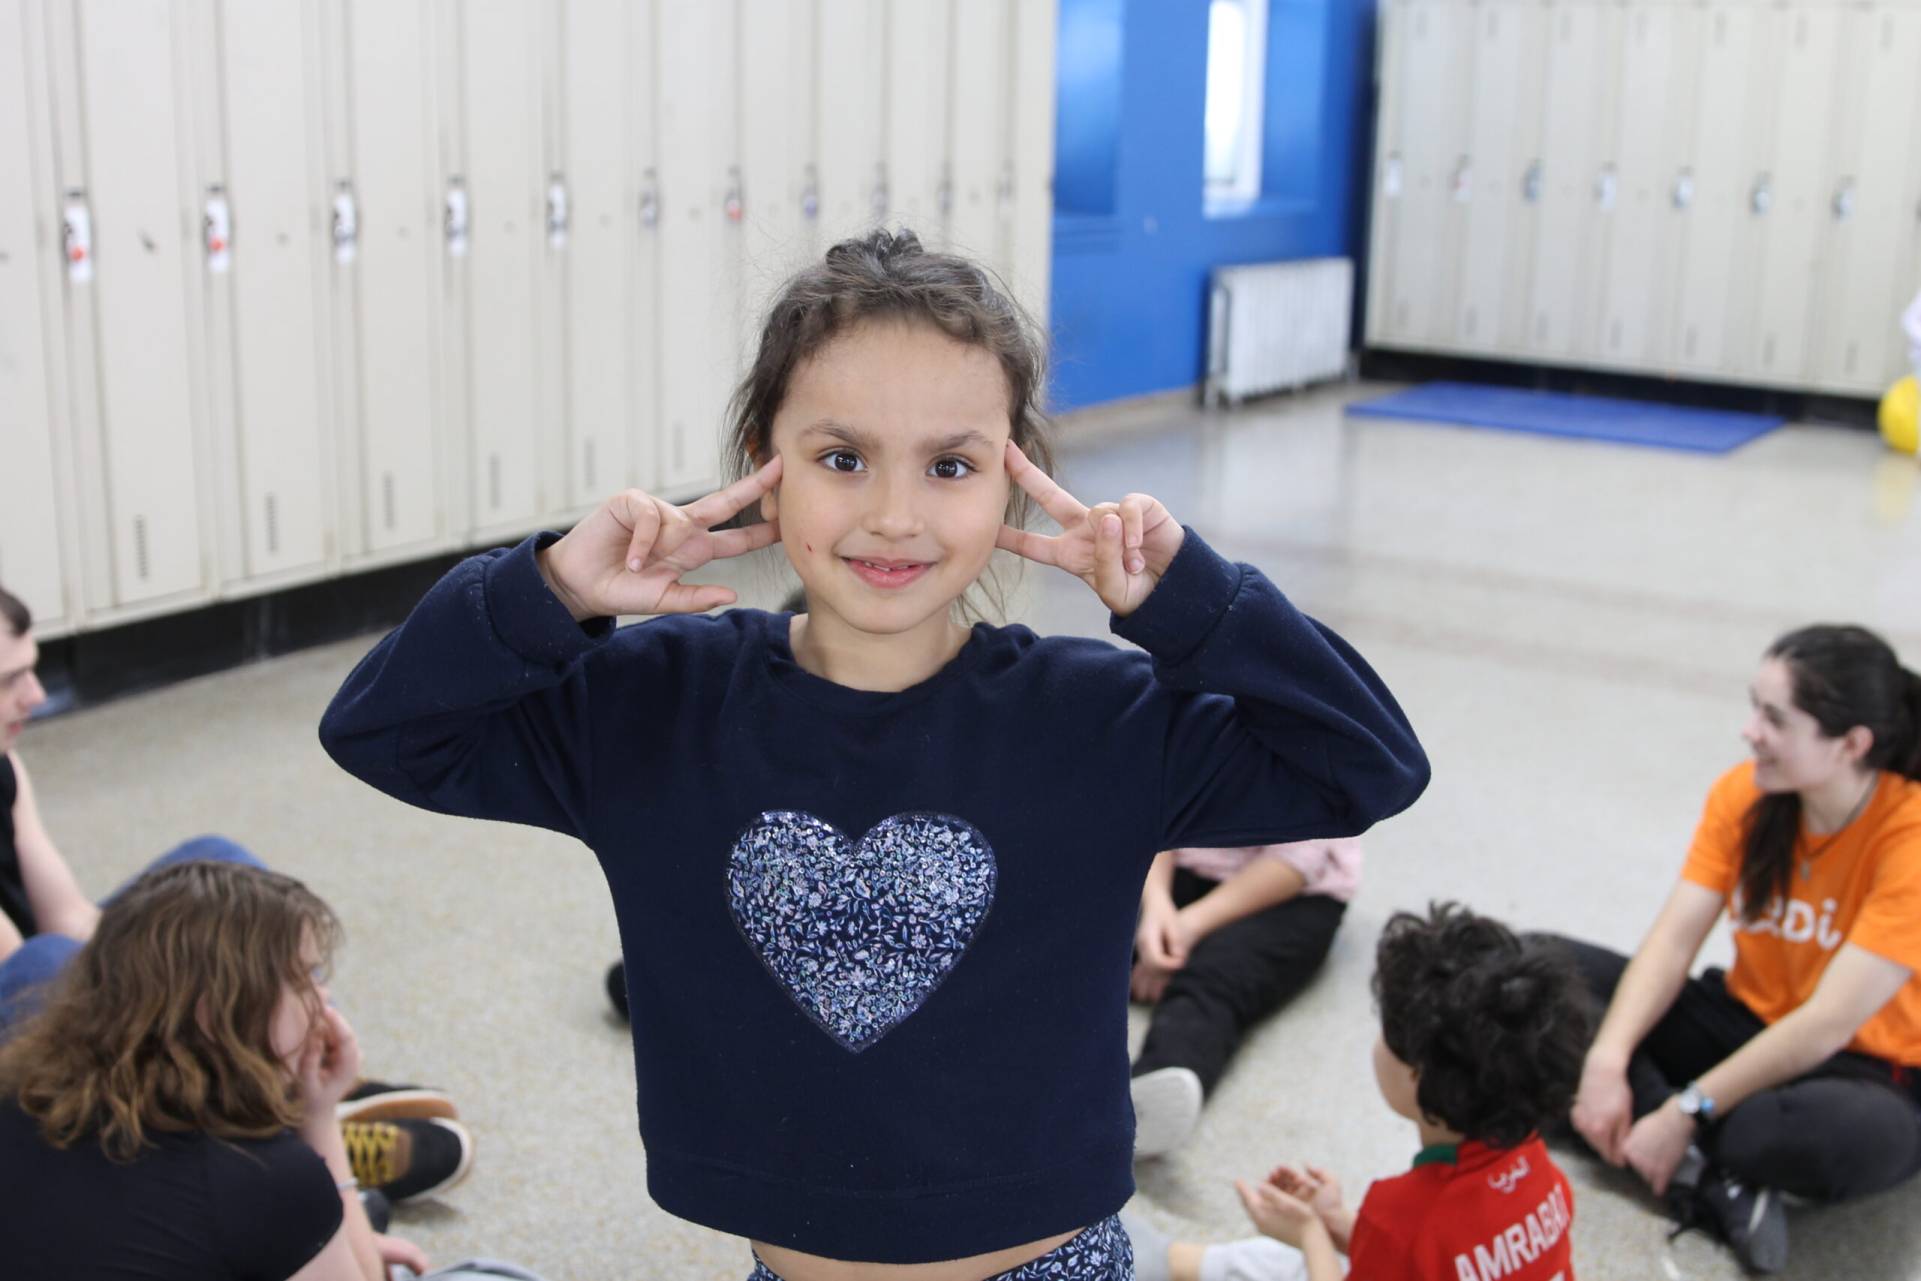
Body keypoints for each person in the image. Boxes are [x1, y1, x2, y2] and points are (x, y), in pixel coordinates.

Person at [319, 227, 1430, 1280]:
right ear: (767, 465)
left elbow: (1366, 764)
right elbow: (385, 730)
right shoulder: (653, 703)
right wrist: (550, 589)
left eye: (950, 466)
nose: (894, 515)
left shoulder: (1098, 718)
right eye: (843, 457)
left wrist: (1193, 603)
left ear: (1015, 478)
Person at [0, 583, 471, 1206]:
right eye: (9, 680)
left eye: (31, 672)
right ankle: (268, 1128)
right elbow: (28, 975)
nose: (34, 696)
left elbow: (71, 916)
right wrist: (188, 983)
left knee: (222, 874)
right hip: (20, 1031)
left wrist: (212, 962)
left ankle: (286, 1078)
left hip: (41, 981)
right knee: (48, 963)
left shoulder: (6, 761)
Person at [1564, 624, 1921, 1274]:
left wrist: (1684, 1108)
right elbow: (1671, 943)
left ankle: (1671, 1136)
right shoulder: (1746, 793)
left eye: (1773, 717)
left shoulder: (1910, 835)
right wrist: (1607, 1060)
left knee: (1813, 1136)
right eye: (1752, 706)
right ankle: (1706, 1170)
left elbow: (1827, 1022)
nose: (1748, 729)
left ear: (1850, 743)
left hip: (1867, 1068)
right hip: (1743, 1017)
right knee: (1535, 975)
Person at [0, 858, 432, 1279]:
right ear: (218, 1012)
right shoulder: (264, 1175)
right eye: (305, 977)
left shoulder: (18, 1093)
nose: (323, 1001)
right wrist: (318, 1118)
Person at [1126, 903, 1588, 1281]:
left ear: (1418, 1075)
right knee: (1285, 1261)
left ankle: (1154, 1262)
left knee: (1287, 1262)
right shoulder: (1536, 1164)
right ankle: (1170, 1262)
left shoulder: (1403, 1214)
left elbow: (1409, 1245)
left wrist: (1310, 1233)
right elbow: (1425, 1261)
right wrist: (1337, 1224)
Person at [1129, 840, 1360, 1158]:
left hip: (1289, 892)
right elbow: (1154, 810)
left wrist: (1182, 929)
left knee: (1214, 982)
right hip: (1175, 862)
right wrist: (1156, 906)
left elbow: (1296, 861)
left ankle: (1146, 1102)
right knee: (1092, 933)